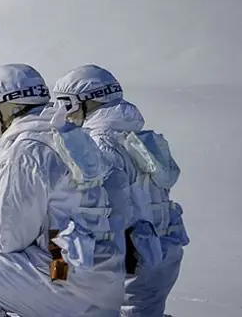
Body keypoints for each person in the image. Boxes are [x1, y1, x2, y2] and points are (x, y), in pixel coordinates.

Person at [0, 63, 126, 317]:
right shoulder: (70, 139)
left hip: (67, 285)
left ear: (5, 107)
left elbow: (11, 237)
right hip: (101, 284)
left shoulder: (27, 151)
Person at [53, 65, 189, 317]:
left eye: (66, 104)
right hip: (163, 250)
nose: (64, 114)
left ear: (87, 102)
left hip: (132, 259)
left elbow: (104, 206)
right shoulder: (136, 136)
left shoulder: (99, 144)